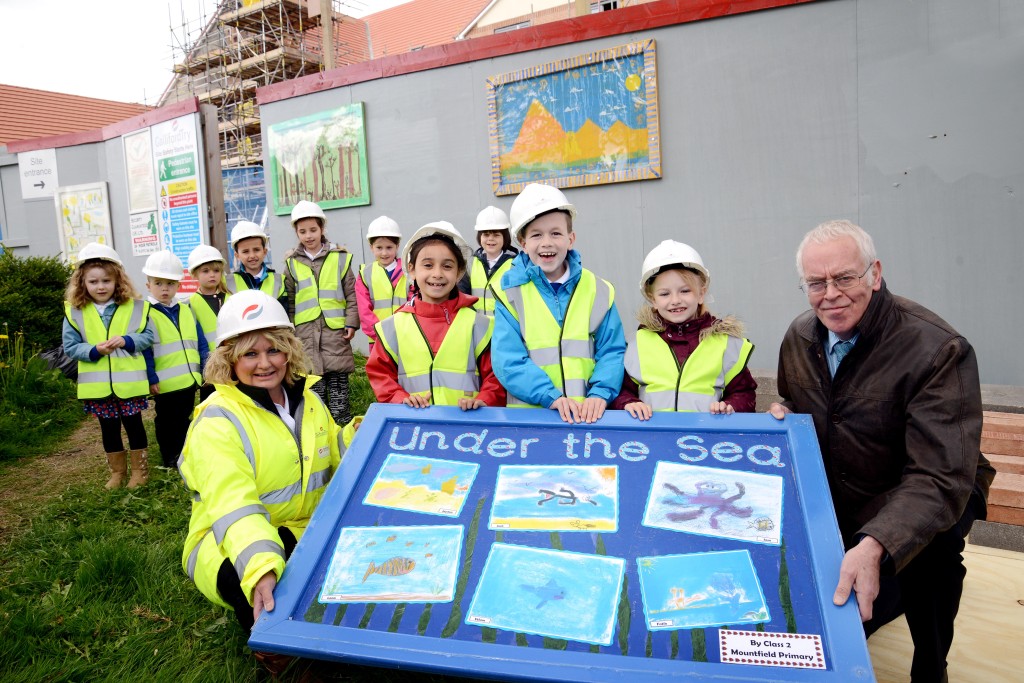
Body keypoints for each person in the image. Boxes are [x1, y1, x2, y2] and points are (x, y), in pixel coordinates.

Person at [768, 219, 994, 683]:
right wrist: (784, 412)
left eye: (844, 278)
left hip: (931, 489)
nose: (830, 294)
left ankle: (932, 666)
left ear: (874, 272)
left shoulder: (936, 347)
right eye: (816, 283)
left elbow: (940, 475)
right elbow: (802, 404)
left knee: (933, 557)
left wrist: (877, 542)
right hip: (852, 485)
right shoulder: (799, 336)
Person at [179, 290, 344, 644]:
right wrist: (261, 569)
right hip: (228, 541)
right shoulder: (217, 419)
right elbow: (233, 504)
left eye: (274, 350)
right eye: (250, 354)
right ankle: (276, 654)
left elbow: (337, 451)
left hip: (301, 528)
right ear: (229, 360)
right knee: (259, 580)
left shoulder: (308, 400)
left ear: (289, 350)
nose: (265, 363)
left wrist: (369, 434)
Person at [491, 183, 626, 423]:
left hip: (588, 416)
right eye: (536, 235)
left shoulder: (598, 290)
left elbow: (612, 351)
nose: (547, 242)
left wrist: (600, 393)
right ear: (523, 244)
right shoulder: (510, 294)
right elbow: (508, 360)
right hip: (532, 420)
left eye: (556, 233)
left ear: (570, 238)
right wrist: (550, 396)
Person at [367, 222, 504, 409]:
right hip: (415, 429)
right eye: (428, 265)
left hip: (469, 429)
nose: (437, 274)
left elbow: (496, 377)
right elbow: (381, 375)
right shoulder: (392, 328)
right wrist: (400, 399)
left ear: (459, 272)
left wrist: (484, 400)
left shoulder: (480, 326)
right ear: (412, 269)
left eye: (447, 266)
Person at [612, 240, 756, 418]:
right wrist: (628, 403)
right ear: (652, 300)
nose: (675, 300)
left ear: (701, 293)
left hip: (707, 441)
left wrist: (731, 406)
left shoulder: (726, 345)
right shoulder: (635, 344)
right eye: (665, 294)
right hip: (652, 441)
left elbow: (745, 394)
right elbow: (620, 391)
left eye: (685, 291)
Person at [62, 242, 154, 489]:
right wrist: (93, 350)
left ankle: (139, 471)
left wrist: (128, 340)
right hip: (99, 387)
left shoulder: (135, 306)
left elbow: (147, 337)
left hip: (129, 383)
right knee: (109, 429)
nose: (100, 286)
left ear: (118, 281)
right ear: (82, 283)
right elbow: (70, 346)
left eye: (106, 281)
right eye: (93, 282)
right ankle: (117, 472)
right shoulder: (74, 312)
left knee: (134, 426)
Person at [284, 200, 359, 425]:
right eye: (302, 231)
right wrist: (290, 332)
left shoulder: (340, 258)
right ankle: (320, 436)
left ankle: (342, 432)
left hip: (335, 333)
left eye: (313, 230)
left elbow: (352, 295)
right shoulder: (291, 263)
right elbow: (290, 301)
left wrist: (351, 322)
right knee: (314, 392)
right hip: (304, 335)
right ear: (296, 232)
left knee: (338, 392)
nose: (308, 235)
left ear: (322, 229)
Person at [140, 250, 208, 468]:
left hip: (189, 379)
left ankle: (185, 453)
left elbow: (200, 341)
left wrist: (206, 366)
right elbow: (146, 351)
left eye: (170, 283)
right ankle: (170, 457)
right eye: (158, 283)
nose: (164, 289)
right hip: (165, 383)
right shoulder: (145, 313)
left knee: (184, 419)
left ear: (178, 285)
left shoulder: (186, 309)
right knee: (166, 422)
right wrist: (150, 377)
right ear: (148, 285)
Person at [457, 205, 519, 315]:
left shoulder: (515, 265)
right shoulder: (470, 264)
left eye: (496, 235)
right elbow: (461, 296)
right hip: (478, 328)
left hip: (505, 329)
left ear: (505, 237)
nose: (490, 239)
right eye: (486, 234)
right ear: (479, 237)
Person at [355, 215, 406, 345]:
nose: (384, 253)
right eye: (379, 248)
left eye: (389, 247)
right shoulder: (365, 274)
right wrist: (380, 335)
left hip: (407, 336)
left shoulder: (409, 271)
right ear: (371, 247)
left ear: (397, 246)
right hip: (378, 339)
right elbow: (364, 311)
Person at [187, 243, 229, 402]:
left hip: (235, 361)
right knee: (212, 403)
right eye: (205, 271)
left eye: (216, 271)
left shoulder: (230, 298)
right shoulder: (190, 304)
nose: (212, 275)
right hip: (210, 365)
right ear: (194, 274)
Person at [224, 220, 286, 306]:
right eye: (245, 251)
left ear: (264, 251)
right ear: (237, 255)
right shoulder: (227, 282)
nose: (252, 255)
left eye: (256, 250)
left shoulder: (280, 280)